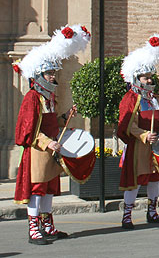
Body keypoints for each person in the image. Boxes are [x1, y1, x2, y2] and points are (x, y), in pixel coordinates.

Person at [13, 25, 91, 245]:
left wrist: (65, 117)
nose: (52, 76)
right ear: (39, 75)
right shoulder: (32, 98)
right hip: (39, 151)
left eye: (53, 73)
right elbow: (28, 131)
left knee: (49, 189)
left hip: (51, 150)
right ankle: (34, 229)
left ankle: (48, 225)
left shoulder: (48, 99)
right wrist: (48, 143)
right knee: (37, 190)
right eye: (49, 73)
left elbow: (50, 122)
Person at [118, 32, 159, 229]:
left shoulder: (156, 98)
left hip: (158, 146)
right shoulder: (130, 99)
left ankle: (152, 212)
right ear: (136, 78)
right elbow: (127, 124)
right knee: (136, 180)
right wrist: (144, 135)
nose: (148, 80)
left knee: (155, 180)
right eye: (145, 77)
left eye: (149, 77)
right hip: (140, 147)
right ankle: (127, 216)